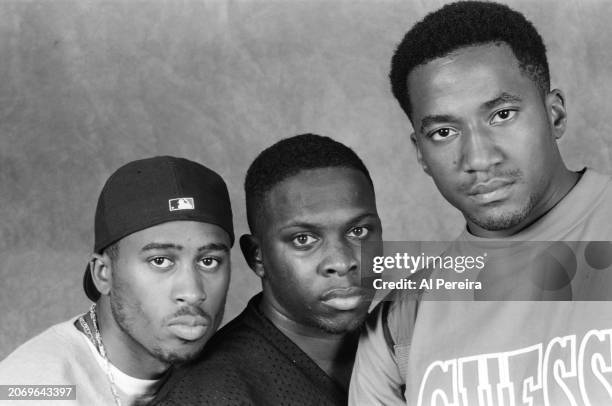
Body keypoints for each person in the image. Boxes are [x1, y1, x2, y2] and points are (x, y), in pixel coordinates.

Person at [349, 2, 612, 405]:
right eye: (443, 132)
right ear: (420, 153)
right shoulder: (401, 322)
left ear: (554, 113)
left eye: (503, 114)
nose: (477, 159)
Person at [153, 134, 383, 405]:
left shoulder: (406, 342)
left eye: (358, 231)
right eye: (303, 240)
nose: (342, 262)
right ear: (257, 257)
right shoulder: (206, 394)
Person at [0, 156, 234, 405]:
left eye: (208, 261)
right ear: (103, 273)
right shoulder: (32, 389)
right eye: (160, 261)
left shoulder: (236, 367)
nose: (192, 291)